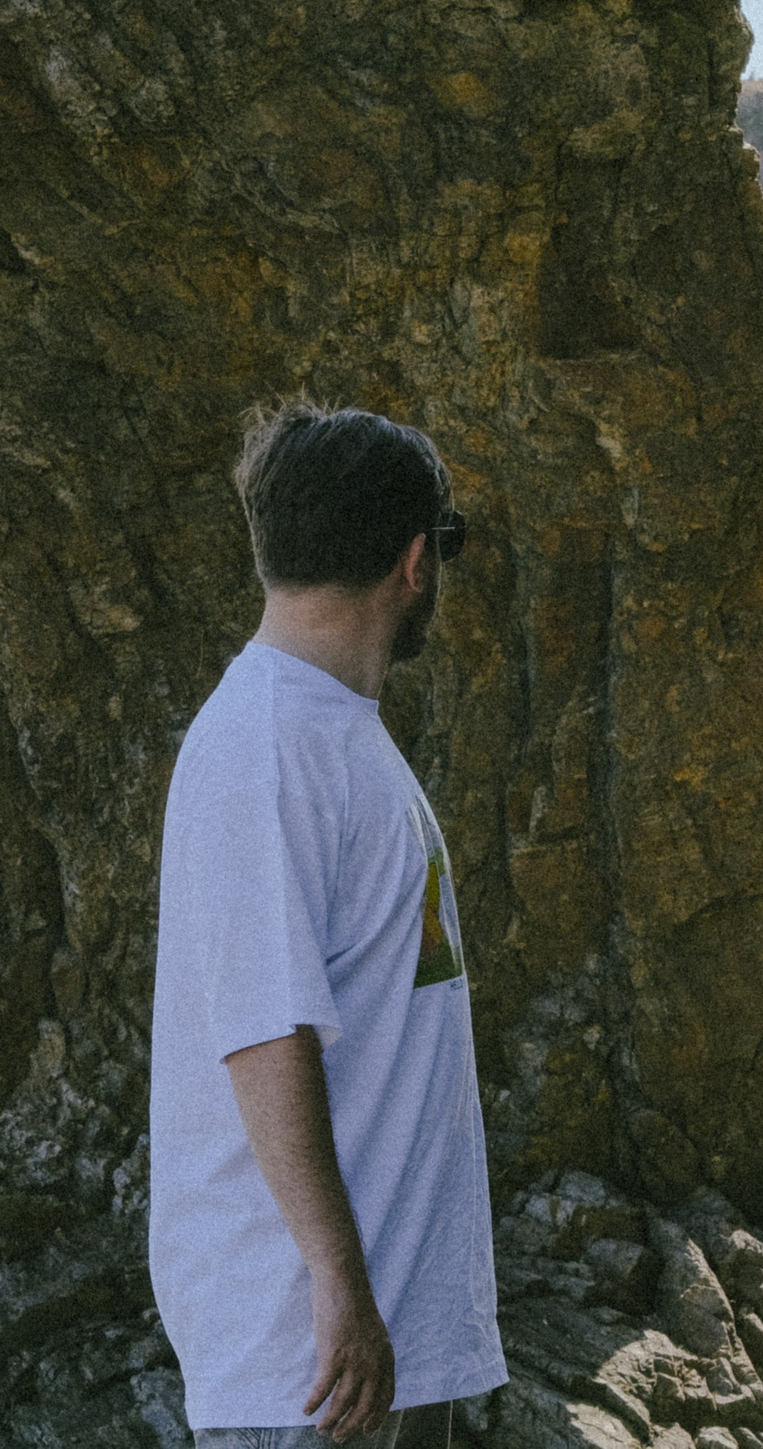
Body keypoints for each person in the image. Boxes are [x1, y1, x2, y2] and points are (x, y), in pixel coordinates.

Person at [149, 401, 506, 1447]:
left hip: (375, 1340)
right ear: (414, 560)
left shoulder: (323, 730)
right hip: (305, 1361)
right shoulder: (264, 745)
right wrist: (339, 1284)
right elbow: (263, 1034)